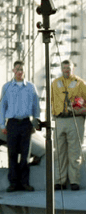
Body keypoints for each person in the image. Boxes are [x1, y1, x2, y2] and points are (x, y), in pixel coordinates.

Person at [0, 60, 40, 192]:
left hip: (26, 123)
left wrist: (36, 120)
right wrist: (1, 124)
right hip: (12, 123)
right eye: (17, 69)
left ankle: (24, 183)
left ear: (24, 71)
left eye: (21, 69)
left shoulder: (31, 87)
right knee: (12, 154)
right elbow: (2, 107)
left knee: (25, 155)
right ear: (13, 71)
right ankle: (13, 183)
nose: (19, 72)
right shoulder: (7, 87)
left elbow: (36, 106)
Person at [51, 59, 86, 190]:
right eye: (64, 68)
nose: (67, 70)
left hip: (75, 120)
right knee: (59, 152)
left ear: (73, 69)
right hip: (59, 120)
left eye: (69, 68)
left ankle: (74, 181)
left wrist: (81, 109)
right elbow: (52, 102)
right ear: (61, 69)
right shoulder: (55, 83)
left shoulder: (80, 83)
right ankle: (60, 181)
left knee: (74, 152)